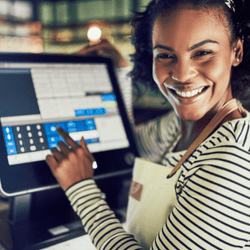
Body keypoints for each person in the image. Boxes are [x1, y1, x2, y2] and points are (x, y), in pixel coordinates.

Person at [46, 0, 250, 249]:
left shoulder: (231, 162)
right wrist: (121, 73)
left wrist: (80, 189)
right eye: (165, 55)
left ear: (236, 51)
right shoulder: (180, 127)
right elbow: (130, 147)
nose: (182, 74)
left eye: (202, 53)